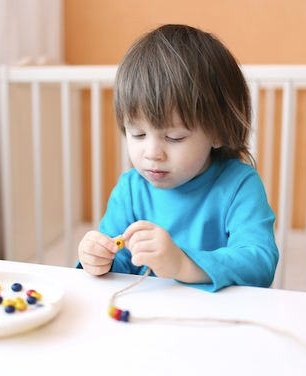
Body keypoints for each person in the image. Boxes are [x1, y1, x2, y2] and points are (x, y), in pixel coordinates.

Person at [77, 24, 279, 292]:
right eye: (137, 134)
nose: (152, 153)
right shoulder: (130, 189)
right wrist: (97, 259)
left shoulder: (239, 185)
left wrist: (182, 264)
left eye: (174, 138)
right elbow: (119, 265)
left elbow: (260, 263)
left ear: (218, 132)